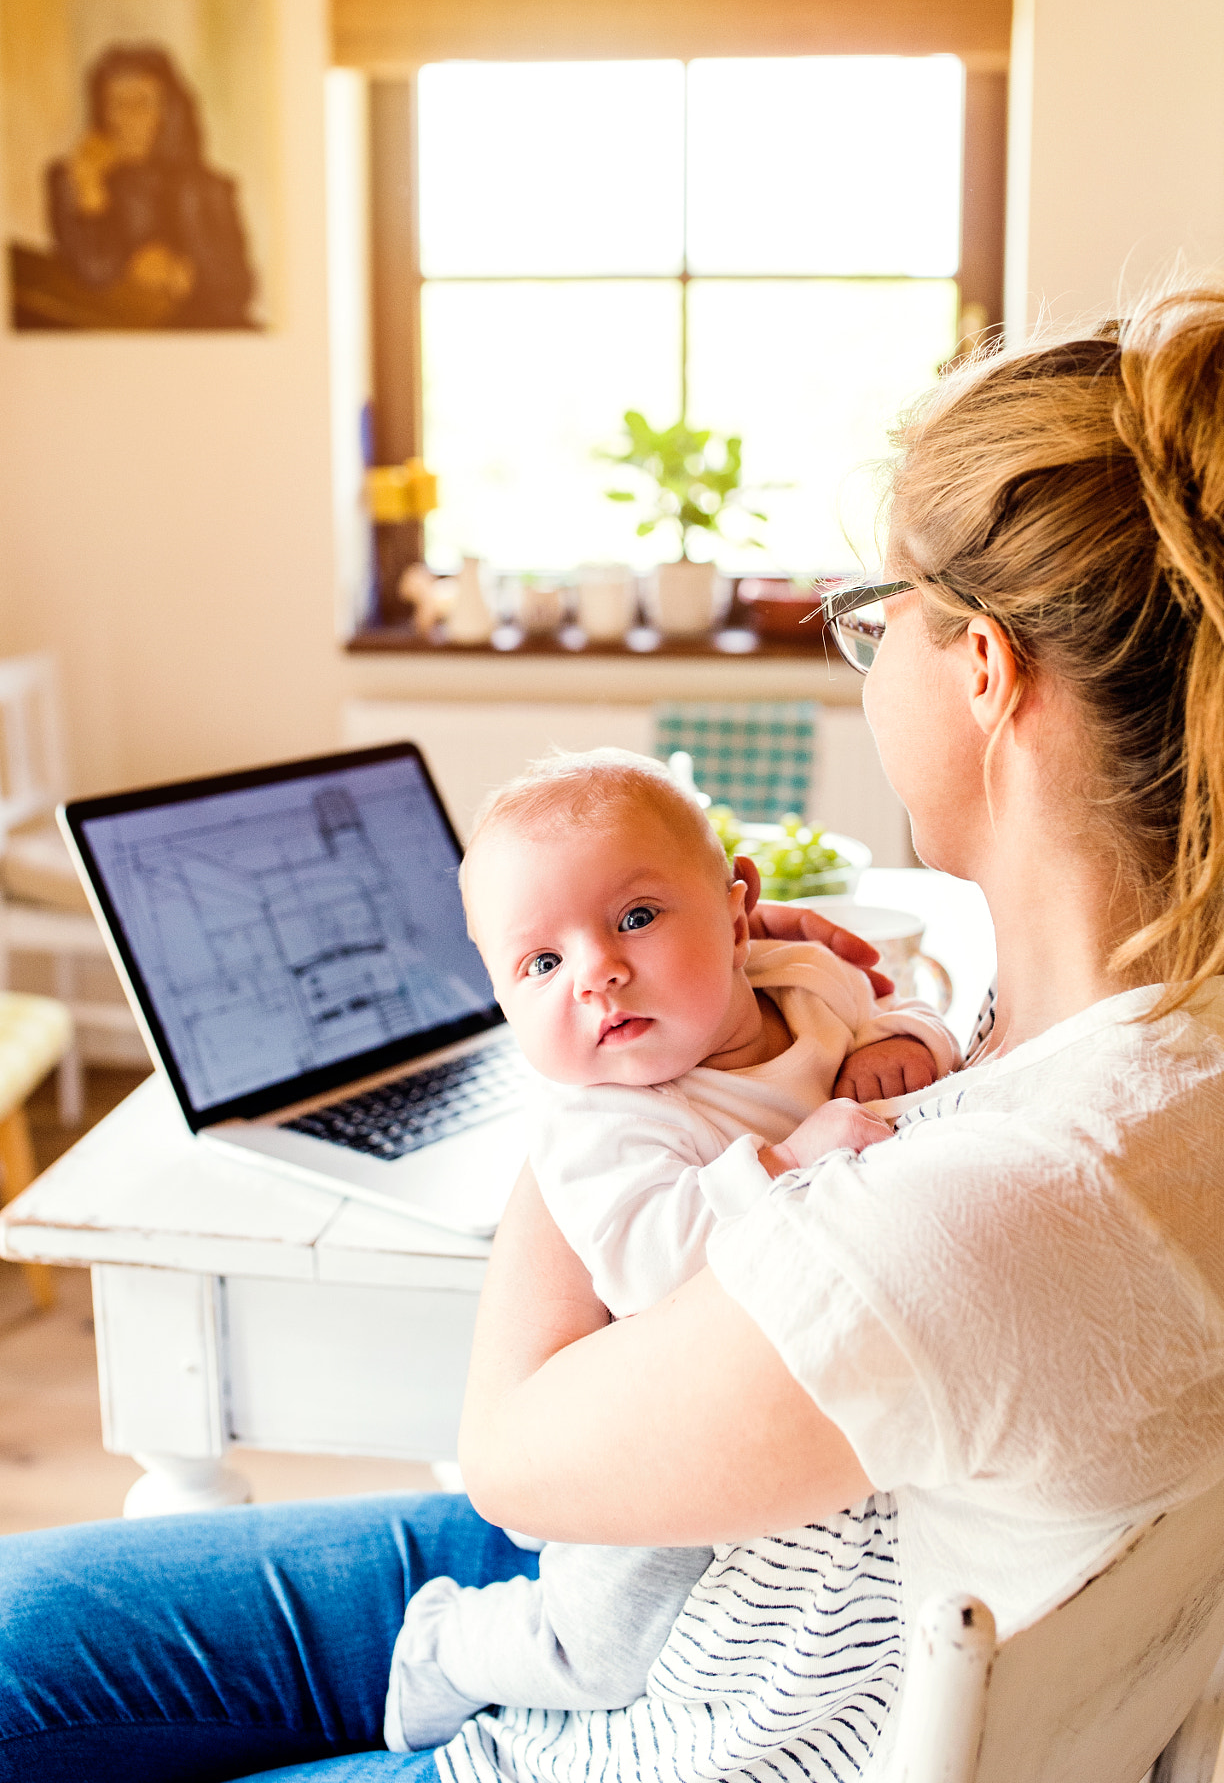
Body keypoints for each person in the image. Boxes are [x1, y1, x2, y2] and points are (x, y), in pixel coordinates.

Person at [0, 271, 1224, 1783]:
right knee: (0, 1635)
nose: (860, 648)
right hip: (720, 1585)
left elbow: (509, 1460)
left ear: (980, 672)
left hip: (643, 1705)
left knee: (4, 1695)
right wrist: (728, 994)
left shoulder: (998, 1212)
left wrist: (575, 1069)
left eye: (870, 614)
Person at [385, 748, 961, 1750]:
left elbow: (907, 1006)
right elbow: (652, 1264)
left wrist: (897, 1039)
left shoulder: (808, 978)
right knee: (602, 1648)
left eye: (636, 917)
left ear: (740, 909)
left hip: (751, 1422)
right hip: (630, 1435)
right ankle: (447, 1641)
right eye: (541, 963)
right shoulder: (601, 1122)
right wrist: (784, 1157)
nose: (598, 972)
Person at [43, 43, 256, 329]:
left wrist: (181, 275)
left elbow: (238, 291)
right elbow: (94, 272)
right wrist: (90, 191)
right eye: (118, 103)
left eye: (143, 102)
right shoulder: (70, 179)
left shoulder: (207, 187)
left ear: (167, 112)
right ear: (102, 111)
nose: (130, 117)